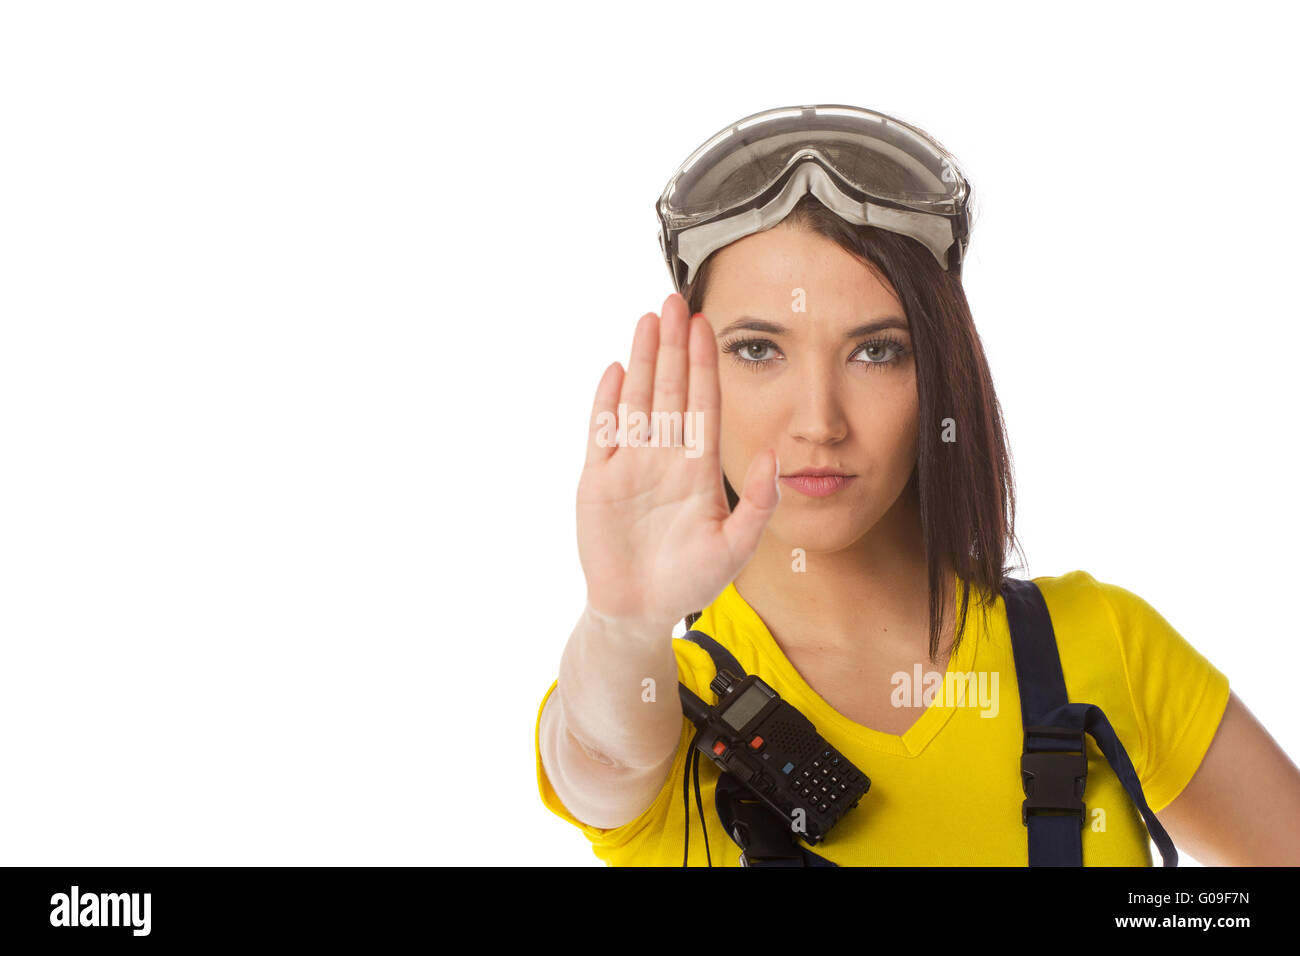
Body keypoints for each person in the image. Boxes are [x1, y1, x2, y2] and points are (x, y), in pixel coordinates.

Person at [533, 104, 1300, 866]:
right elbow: (600, 761)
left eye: (876, 352)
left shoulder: (1099, 646)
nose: (819, 421)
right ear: (698, 371)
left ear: (939, 372)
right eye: (760, 348)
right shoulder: (662, 704)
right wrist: (625, 625)